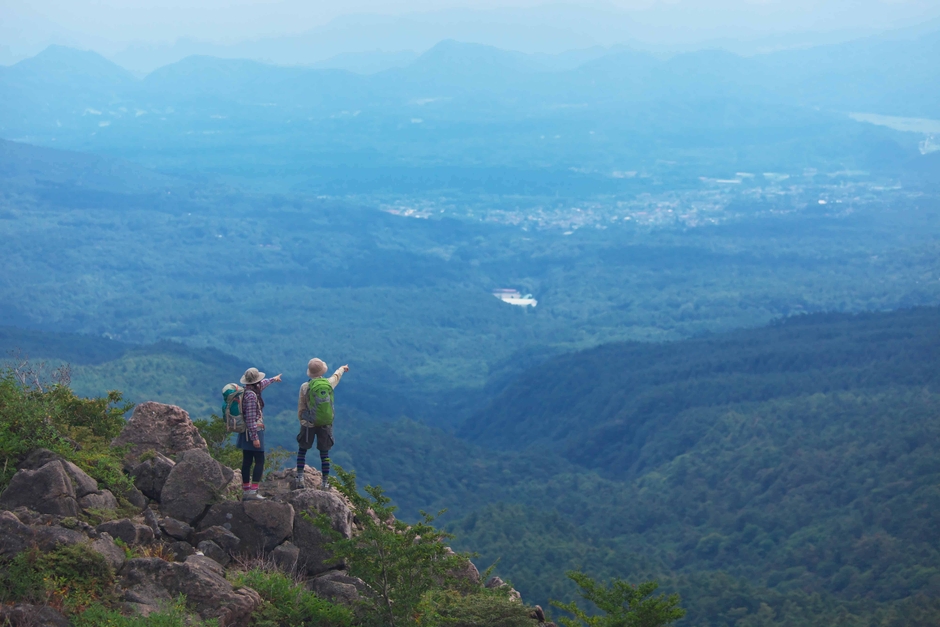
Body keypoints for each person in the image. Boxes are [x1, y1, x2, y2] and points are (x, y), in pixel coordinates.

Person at [294, 358, 349, 490]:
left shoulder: (305, 387)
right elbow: (336, 376)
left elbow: (301, 407)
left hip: (309, 424)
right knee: (324, 453)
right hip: (325, 423)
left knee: (302, 450)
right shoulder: (328, 383)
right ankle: (324, 483)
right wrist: (342, 368)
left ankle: (300, 478)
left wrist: (303, 421)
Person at [237, 367, 282, 501]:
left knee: (247, 461)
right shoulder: (251, 396)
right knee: (259, 460)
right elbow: (250, 418)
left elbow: (263, 384)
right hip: (254, 431)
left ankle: (246, 490)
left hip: (245, 432)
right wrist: (255, 438)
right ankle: (253, 491)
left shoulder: (248, 390)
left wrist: (274, 379)